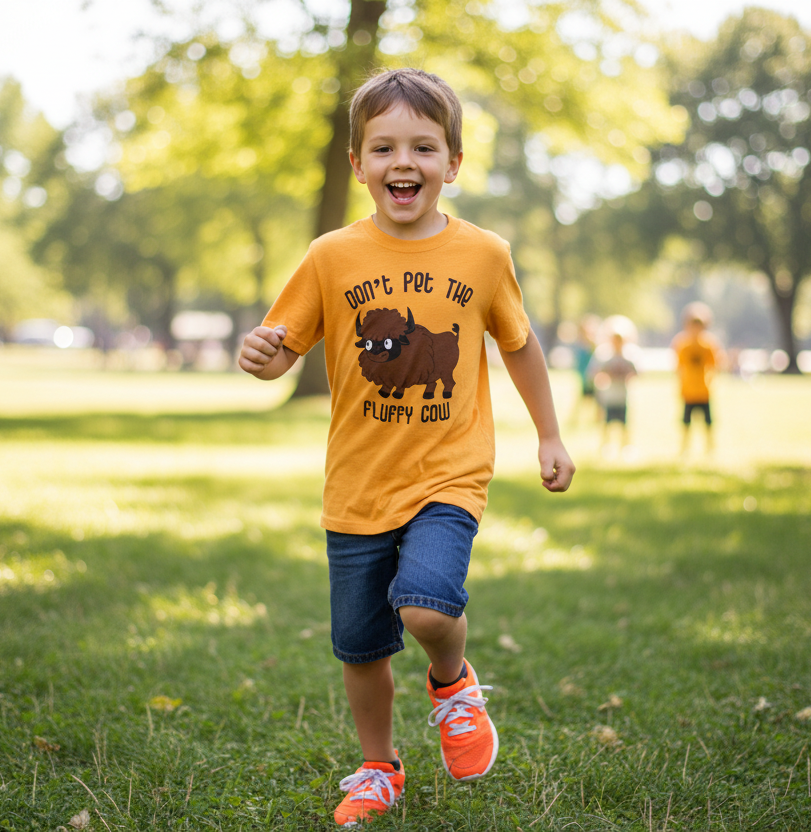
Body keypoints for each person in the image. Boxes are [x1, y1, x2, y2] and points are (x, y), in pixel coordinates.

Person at [238, 67, 575, 827]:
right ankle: (377, 766)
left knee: (424, 609)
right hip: (356, 486)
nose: (403, 163)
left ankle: (453, 684)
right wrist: (260, 355)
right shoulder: (330, 255)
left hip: (446, 475)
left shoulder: (484, 254)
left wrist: (548, 433)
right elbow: (282, 345)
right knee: (360, 648)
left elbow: (518, 345)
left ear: (452, 163)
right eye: (383, 147)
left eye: (423, 147)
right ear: (356, 163)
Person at [671, 301, 720, 455]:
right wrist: (680, 387)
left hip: (703, 391)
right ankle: (684, 449)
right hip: (688, 391)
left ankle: (710, 449)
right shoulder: (682, 344)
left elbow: (714, 366)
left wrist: (710, 384)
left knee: (708, 423)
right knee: (686, 423)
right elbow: (678, 368)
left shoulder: (708, 344)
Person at [592, 330, 637, 454]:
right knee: (607, 424)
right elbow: (597, 373)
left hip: (623, 395)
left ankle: (626, 447)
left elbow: (636, 373)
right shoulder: (607, 359)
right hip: (611, 396)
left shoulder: (627, 359)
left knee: (624, 425)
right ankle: (605, 447)